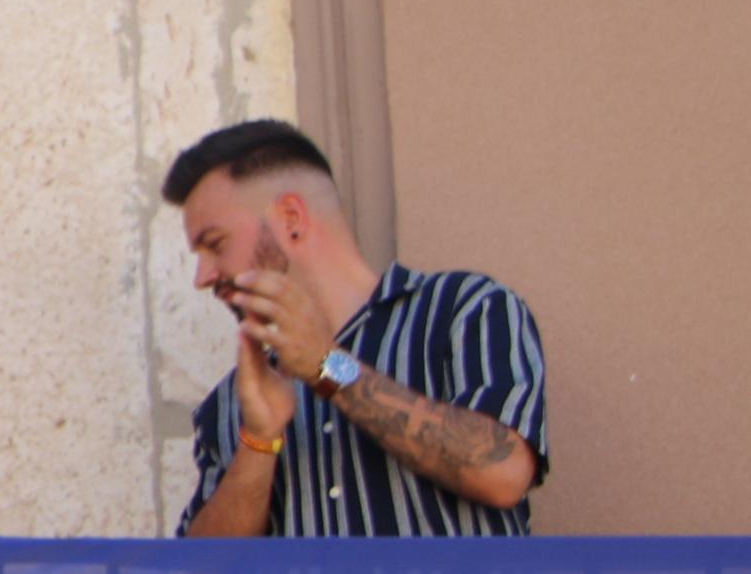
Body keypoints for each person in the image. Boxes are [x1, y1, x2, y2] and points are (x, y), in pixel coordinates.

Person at [164, 118, 546, 537]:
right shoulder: (230, 403)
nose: (202, 276)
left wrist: (328, 369)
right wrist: (259, 440)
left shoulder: (466, 310)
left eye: (215, 244)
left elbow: (505, 471)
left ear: (291, 218)